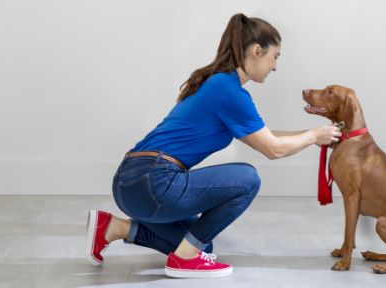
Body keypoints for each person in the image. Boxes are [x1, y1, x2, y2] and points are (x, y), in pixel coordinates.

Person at [86, 13, 341, 278]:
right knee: (247, 178)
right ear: (256, 51)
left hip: (133, 183)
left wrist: (316, 134)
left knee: (200, 243)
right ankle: (184, 261)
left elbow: (266, 137)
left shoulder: (218, 82)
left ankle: (113, 228)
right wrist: (313, 136)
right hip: (152, 182)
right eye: (274, 56)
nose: (275, 66)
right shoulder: (229, 91)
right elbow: (273, 149)